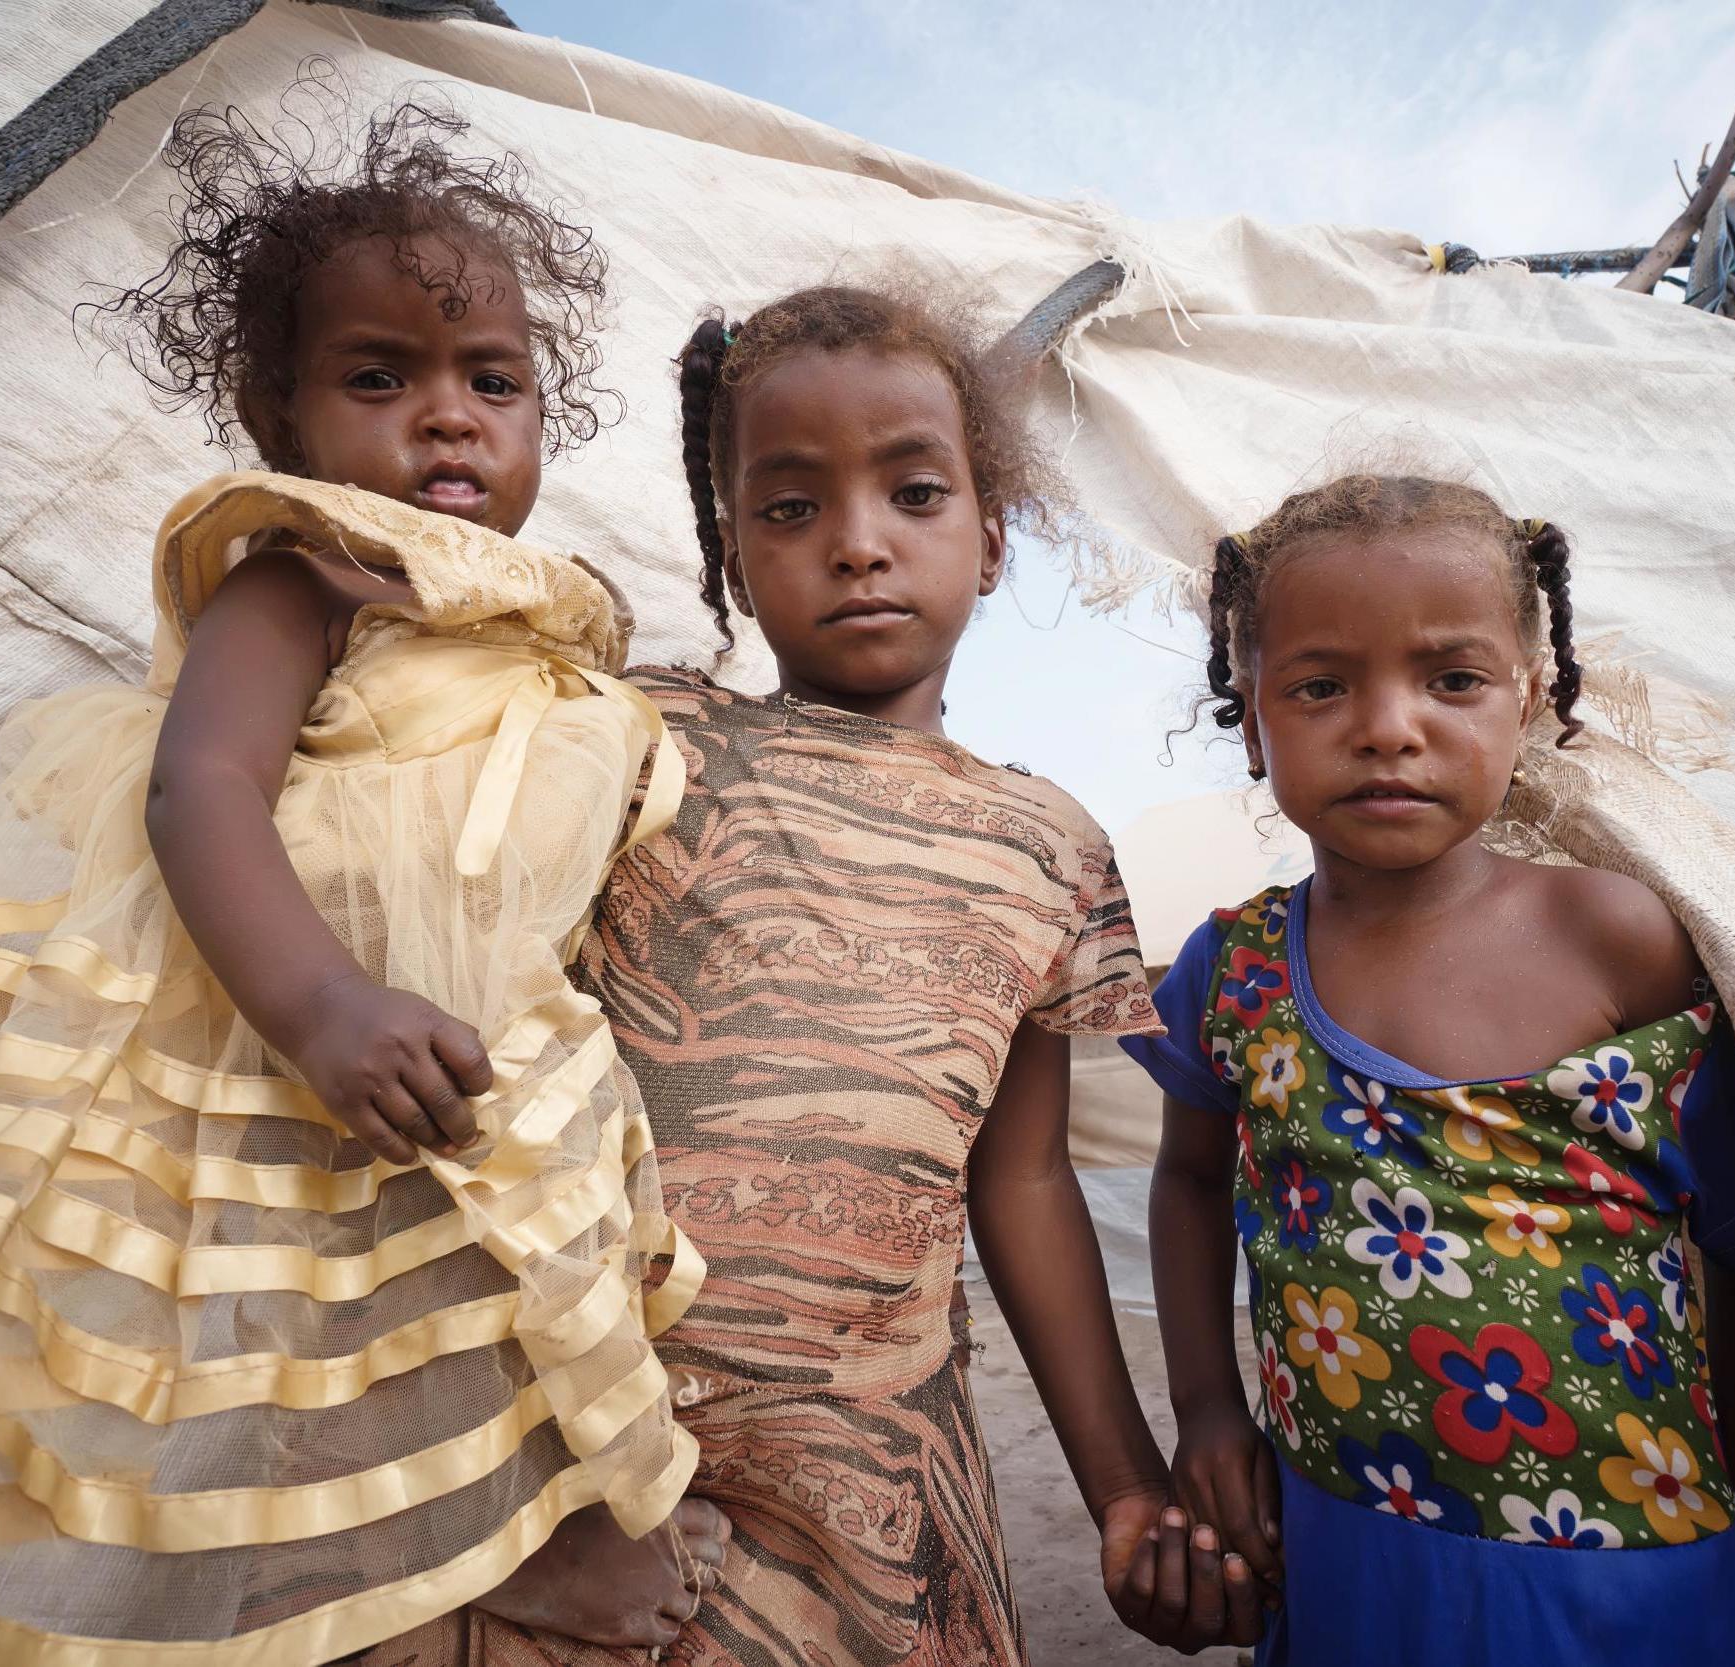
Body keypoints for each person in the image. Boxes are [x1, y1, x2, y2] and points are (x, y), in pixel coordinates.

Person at [0, 93, 729, 1664]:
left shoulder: (544, 619)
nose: (445, 417)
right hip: (322, 1036)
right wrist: (319, 1005)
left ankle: (559, 1515)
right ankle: (463, 1559)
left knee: (549, 1264)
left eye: (489, 380)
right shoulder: (302, 569)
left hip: (501, 1029)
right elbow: (205, 786)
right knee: (348, 1329)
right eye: (378, 376)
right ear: (284, 418)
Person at [379, 284, 1260, 1666]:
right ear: (730, 554)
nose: (857, 545)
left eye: (914, 493)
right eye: (789, 510)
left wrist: (1126, 1485)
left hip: (873, 1480)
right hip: (577, 1470)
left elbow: (1019, 1180)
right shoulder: (631, 738)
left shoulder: (1050, 844)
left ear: (991, 536)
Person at [1122, 473, 1735, 1665]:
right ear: (1249, 705)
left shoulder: (1619, 940)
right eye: (1320, 685)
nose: (1388, 725)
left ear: (1528, 698)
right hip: (1340, 1536)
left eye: (1451, 679)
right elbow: (1186, 1182)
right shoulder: (1232, 970)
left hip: (1634, 1555)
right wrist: (1207, 1405)